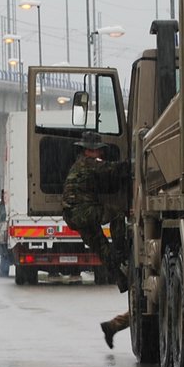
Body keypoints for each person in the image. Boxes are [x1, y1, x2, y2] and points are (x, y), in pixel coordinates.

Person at [61, 130, 131, 348]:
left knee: (102, 249)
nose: (100, 152)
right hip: (84, 212)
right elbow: (112, 170)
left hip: (75, 216)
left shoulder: (79, 165)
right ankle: (121, 253)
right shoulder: (89, 163)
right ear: (90, 150)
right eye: (98, 148)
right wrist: (133, 164)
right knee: (118, 214)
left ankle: (121, 277)